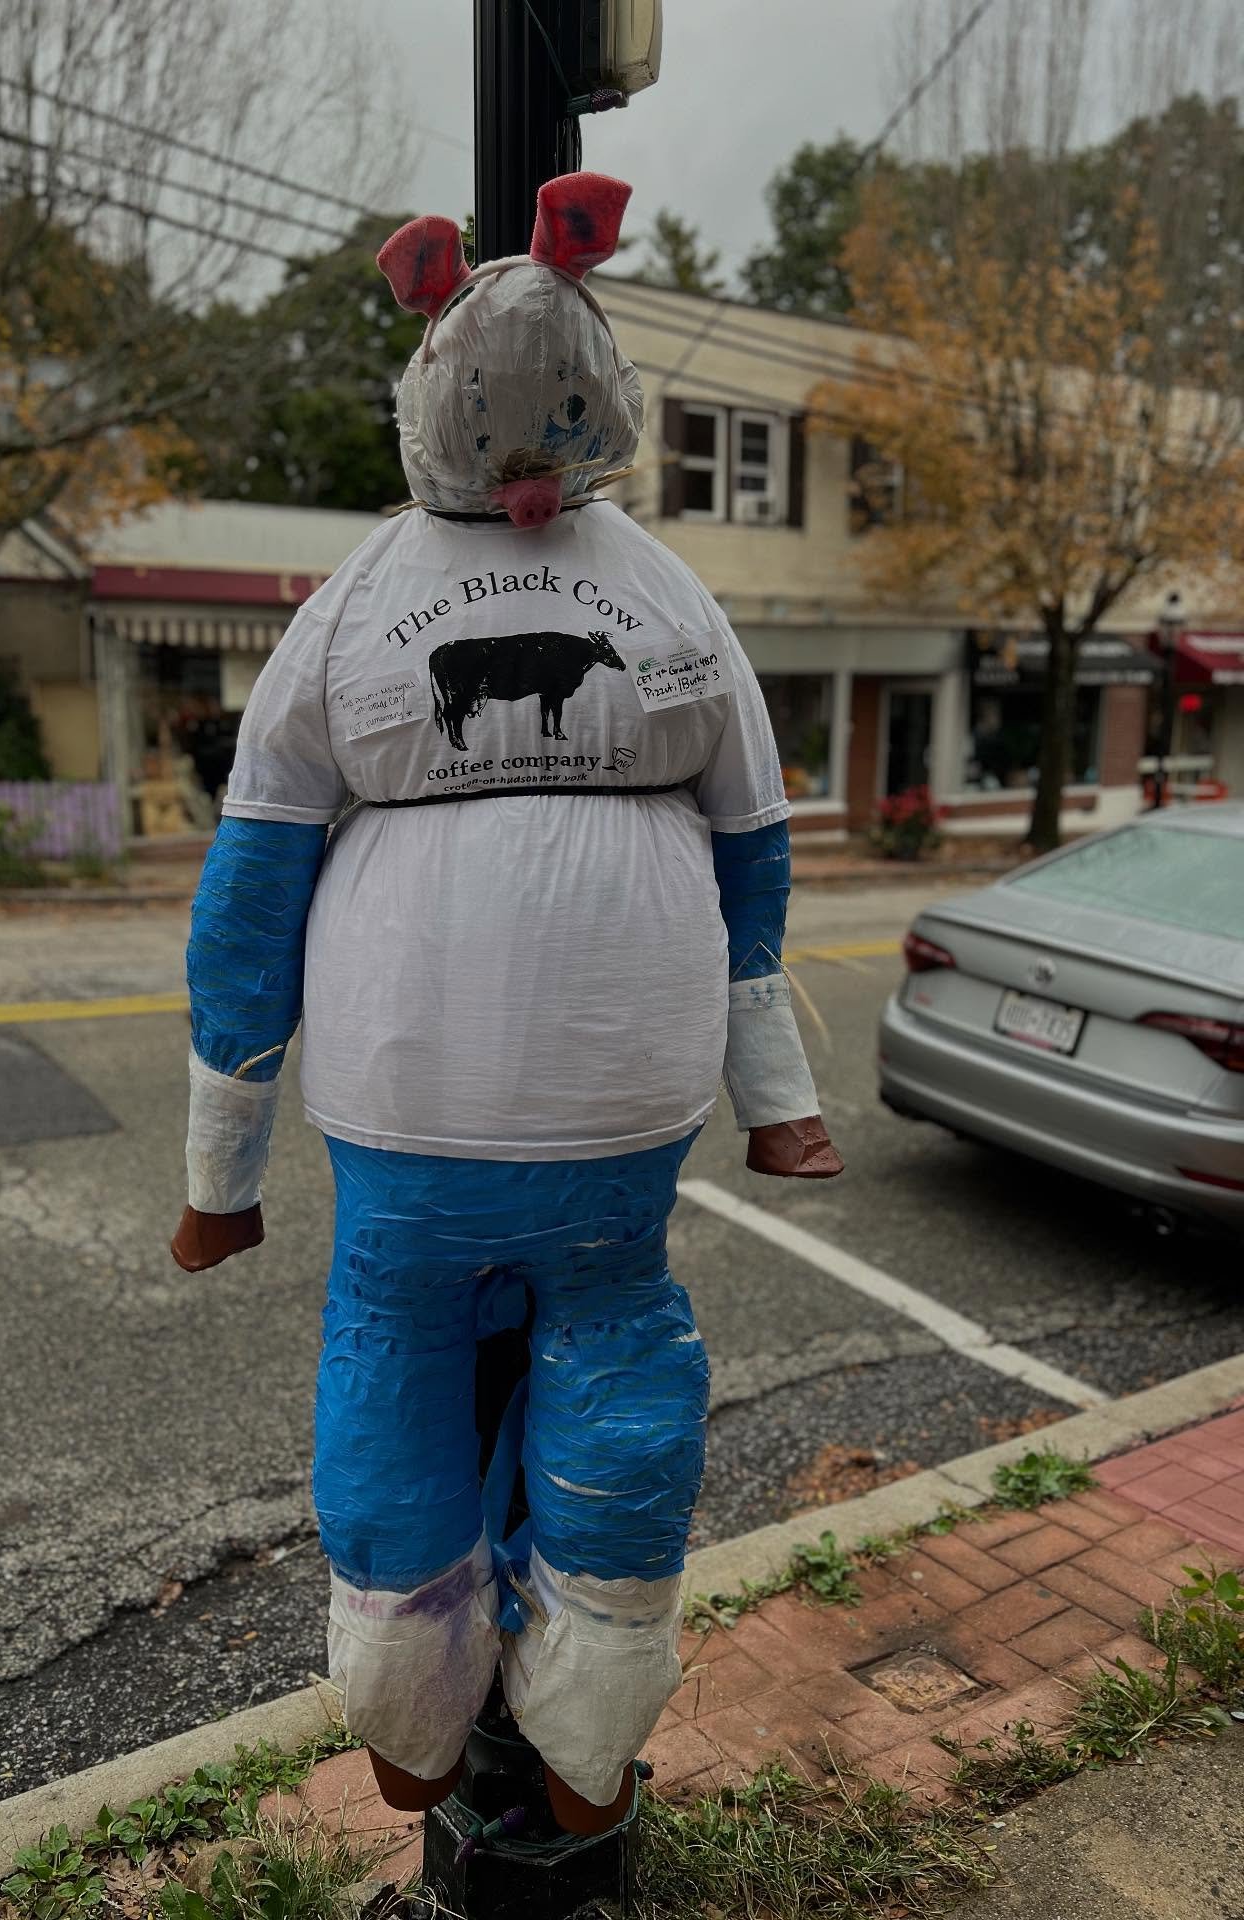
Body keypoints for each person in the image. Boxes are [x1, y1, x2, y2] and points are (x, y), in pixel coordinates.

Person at [172, 172, 842, 1840]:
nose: (536, 461)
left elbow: (253, 890)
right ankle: (587, 1712)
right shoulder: (672, 597)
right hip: (600, 1133)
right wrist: (776, 1095)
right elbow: (754, 871)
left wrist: (220, 1177)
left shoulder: (359, 608)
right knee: (616, 1351)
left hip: (429, 1134)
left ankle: (410, 1701)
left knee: (395, 1346)